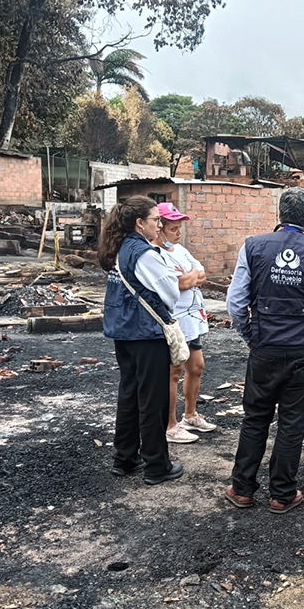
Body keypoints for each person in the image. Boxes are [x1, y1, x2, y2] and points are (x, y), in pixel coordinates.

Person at [224, 188, 304, 514]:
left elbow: (235, 303)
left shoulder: (253, 247)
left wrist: (251, 334)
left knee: (255, 418)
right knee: (292, 421)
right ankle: (281, 494)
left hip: (264, 348)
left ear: (279, 216)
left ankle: (242, 490)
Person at [98, 195, 184, 484]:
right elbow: (169, 291)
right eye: (155, 220)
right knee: (153, 399)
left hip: (122, 330)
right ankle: (157, 465)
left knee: (130, 394)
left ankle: (125, 458)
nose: (159, 226)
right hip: (146, 333)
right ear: (139, 223)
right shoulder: (144, 253)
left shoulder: (120, 248)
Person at [153, 202, 217, 445]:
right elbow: (179, 283)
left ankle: (190, 415)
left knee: (197, 366)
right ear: (160, 228)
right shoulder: (155, 254)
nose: (178, 233)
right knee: (174, 372)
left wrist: (189, 277)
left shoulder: (180, 250)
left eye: (179, 228)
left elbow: (201, 274)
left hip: (192, 319)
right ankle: (170, 424)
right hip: (175, 318)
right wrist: (189, 278)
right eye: (173, 229)